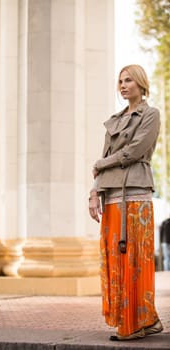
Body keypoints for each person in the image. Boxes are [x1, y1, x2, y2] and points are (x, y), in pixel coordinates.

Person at [89, 64, 163, 341]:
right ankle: (146, 320)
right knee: (114, 260)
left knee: (134, 260)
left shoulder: (151, 114)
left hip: (136, 192)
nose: (123, 85)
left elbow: (135, 150)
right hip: (111, 195)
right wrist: (93, 193)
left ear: (141, 83)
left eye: (128, 80)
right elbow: (102, 162)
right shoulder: (115, 119)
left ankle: (133, 324)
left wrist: (102, 163)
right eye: (120, 80)